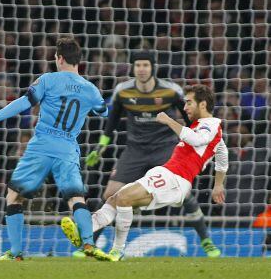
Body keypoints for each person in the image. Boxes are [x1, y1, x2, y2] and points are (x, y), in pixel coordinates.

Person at [0, 37, 111, 261]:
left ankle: (15, 253)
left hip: (42, 147)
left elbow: (24, 103)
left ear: (59, 58)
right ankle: (89, 245)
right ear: (78, 61)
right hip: (68, 149)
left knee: (14, 197)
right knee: (76, 198)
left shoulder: (48, 80)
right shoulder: (90, 89)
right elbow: (104, 112)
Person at [61, 84, 228, 261]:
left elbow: (196, 140)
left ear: (202, 105)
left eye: (189, 103)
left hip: (175, 178)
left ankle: (112, 247)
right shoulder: (206, 128)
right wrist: (218, 185)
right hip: (167, 174)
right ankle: (97, 240)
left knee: (124, 198)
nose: (184, 107)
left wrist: (170, 121)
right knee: (116, 199)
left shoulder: (210, 125)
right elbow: (223, 157)